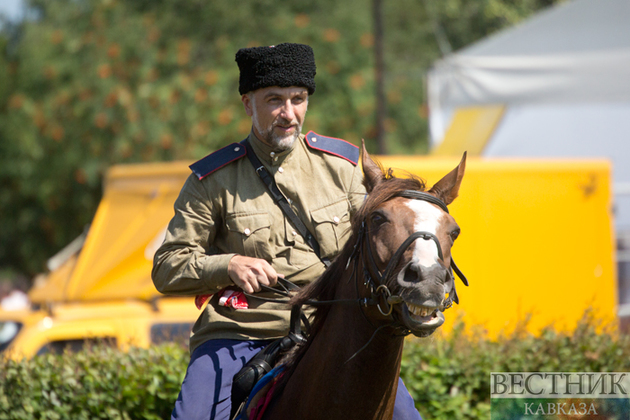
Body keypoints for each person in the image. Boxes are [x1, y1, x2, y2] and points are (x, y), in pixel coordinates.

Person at [152, 43, 422, 420]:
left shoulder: (342, 169)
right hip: (241, 334)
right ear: (248, 104)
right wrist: (228, 266)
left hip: (332, 332)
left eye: (298, 99)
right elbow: (166, 266)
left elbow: (376, 249)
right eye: (274, 100)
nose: (289, 113)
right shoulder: (212, 181)